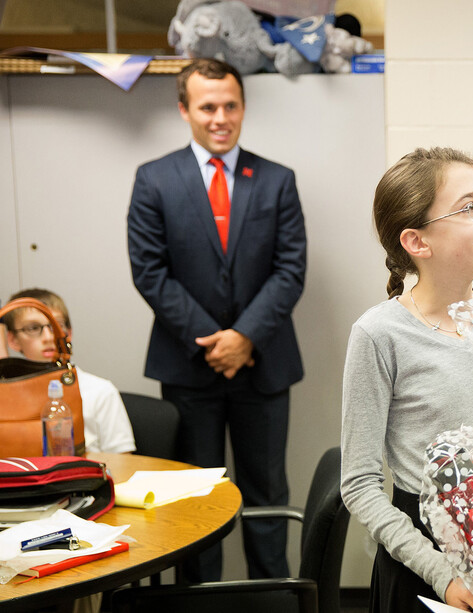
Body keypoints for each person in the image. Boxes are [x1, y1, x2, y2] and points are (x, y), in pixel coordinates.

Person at [127, 58, 307, 582]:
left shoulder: (277, 181)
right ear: (185, 110)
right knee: (194, 497)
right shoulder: (154, 180)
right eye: (208, 107)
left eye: (231, 105)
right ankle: (198, 599)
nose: (220, 117)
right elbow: (149, 271)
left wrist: (246, 336)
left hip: (264, 363)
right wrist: (215, 341)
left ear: (243, 107)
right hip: (188, 366)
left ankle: (274, 597)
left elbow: (290, 269)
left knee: (267, 493)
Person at [341, 147, 473, 613]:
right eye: (470, 207)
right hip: (425, 563)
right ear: (418, 242)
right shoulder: (380, 335)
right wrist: (443, 576)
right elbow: (359, 484)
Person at [3, 288, 136, 454]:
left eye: (56, 326)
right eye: (33, 328)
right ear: (13, 339)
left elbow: (123, 460)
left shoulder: (100, 391)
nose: (48, 337)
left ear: (68, 333)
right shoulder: (6, 395)